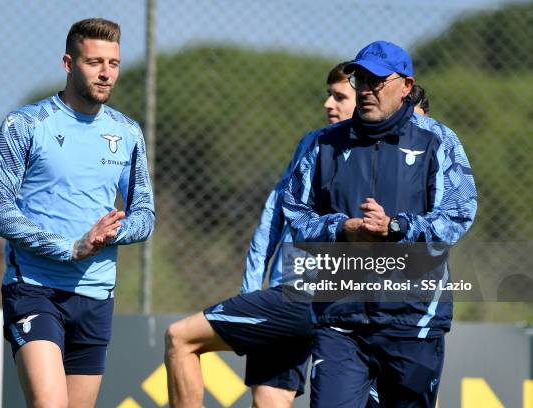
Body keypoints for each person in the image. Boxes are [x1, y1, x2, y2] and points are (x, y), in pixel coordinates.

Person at [165, 62, 378, 408]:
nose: (328, 104)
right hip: (289, 296)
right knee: (268, 402)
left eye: (339, 97)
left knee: (180, 338)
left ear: (364, 99)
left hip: (311, 296)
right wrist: (252, 291)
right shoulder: (312, 143)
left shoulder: (379, 156)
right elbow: (273, 215)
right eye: (328, 94)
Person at [282, 40, 477, 407]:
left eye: (376, 80)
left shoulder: (438, 141)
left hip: (413, 322)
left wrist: (398, 228)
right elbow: (295, 213)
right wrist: (341, 228)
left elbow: (458, 215)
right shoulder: (322, 144)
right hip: (340, 322)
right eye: (360, 79)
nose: (366, 89)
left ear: (405, 86)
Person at [0, 18, 154, 408]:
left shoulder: (127, 133)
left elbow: (144, 214)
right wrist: (69, 247)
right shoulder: (24, 124)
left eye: (113, 63)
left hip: (96, 296)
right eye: (94, 62)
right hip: (34, 288)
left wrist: (112, 234)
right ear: (68, 63)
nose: (106, 73)